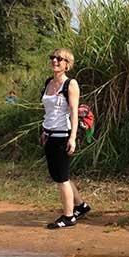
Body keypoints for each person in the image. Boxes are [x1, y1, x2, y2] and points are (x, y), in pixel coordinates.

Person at [41, 48, 91, 229]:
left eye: (59, 59)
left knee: (61, 178)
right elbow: (48, 111)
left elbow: (73, 113)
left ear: (67, 64)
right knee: (60, 175)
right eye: (52, 57)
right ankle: (81, 206)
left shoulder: (70, 84)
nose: (55, 61)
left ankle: (69, 216)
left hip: (63, 135)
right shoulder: (48, 82)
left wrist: (73, 138)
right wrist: (43, 131)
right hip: (49, 134)